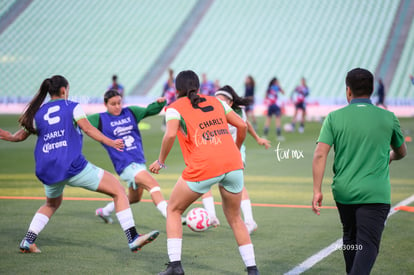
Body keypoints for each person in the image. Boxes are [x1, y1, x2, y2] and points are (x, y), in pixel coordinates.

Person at [0, 75, 159, 253]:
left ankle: (28, 241)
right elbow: (88, 129)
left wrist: (5, 135)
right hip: (71, 165)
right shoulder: (72, 106)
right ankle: (133, 237)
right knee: (118, 191)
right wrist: (111, 142)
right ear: (63, 90)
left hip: (46, 168)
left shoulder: (38, 112)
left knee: (51, 204)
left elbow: (18, 137)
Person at [149, 70, 259, 275]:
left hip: (204, 166)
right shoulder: (217, 102)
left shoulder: (174, 108)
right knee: (235, 218)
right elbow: (242, 125)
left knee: (173, 210)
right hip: (233, 164)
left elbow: (170, 134)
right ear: (199, 87)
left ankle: (175, 267)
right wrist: (235, 149)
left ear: (177, 89)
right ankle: (253, 270)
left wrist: (161, 161)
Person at [312, 68, 407, 275]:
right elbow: (401, 152)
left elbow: (320, 154)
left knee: (351, 238)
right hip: (375, 193)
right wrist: (389, 157)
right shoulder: (388, 117)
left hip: (344, 192)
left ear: (348, 91)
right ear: (372, 90)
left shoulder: (334, 118)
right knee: (368, 244)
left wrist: (317, 190)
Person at [88, 89, 176, 224]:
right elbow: (81, 123)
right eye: (113, 104)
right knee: (152, 184)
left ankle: (105, 211)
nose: (117, 106)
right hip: (125, 164)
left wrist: (160, 103)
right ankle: (170, 215)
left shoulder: (130, 112)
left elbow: (149, 111)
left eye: (119, 103)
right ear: (105, 104)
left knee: (134, 198)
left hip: (139, 162)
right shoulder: (99, 119)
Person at [201, 85, 271, 234]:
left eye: (221, 101)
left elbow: (245, 125)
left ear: (230, 102)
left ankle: (250, 221)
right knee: (203, 180)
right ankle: (212, 217)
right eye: (216, 100)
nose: (218, 103)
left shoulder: (238, 112)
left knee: (236, 184)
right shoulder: (212, 112)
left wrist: (257, 138)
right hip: (218, 152)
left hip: (236, 152)